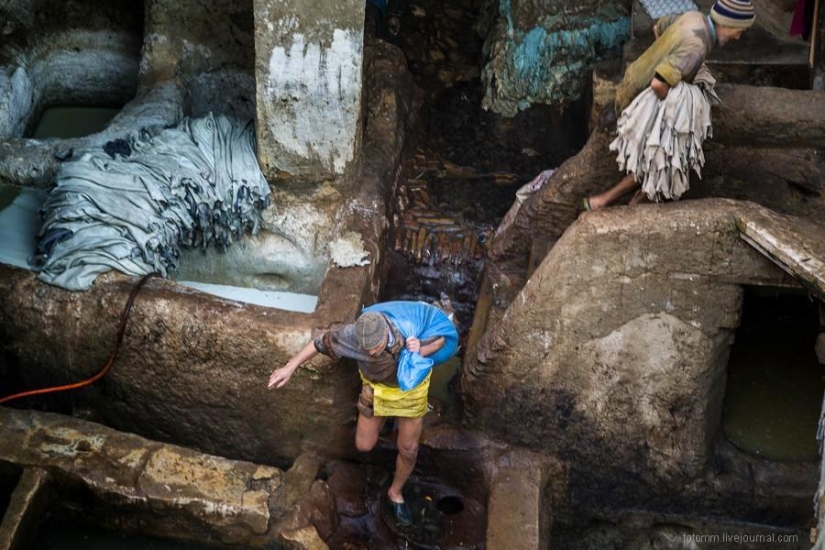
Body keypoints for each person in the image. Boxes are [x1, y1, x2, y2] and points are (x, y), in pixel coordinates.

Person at [267, 301, 459, 526]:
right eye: (365, 349)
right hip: (375, 390)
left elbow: (442, 339)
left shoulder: (409, 329)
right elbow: (319, 343)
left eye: (374, 348)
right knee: (364, 445)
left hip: (409, 391)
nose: (369, 352)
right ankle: (385, 420)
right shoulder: (353, 335)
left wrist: (420, 350)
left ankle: (395, 492)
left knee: (408, 450)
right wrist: (290, 367)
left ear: (386, 332)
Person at [583, 0, 756, 211]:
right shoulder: (698, 46)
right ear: (727, 24)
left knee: (661, 157)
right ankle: (614, 202)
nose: (737, 37)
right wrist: (676, 105)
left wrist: (665, 54)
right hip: (639, 98)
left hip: (633, 77)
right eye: (739, 31)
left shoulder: (694, 17)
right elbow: (658, 84)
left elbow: (659, 27)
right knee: (665, 156)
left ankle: (611, 201)